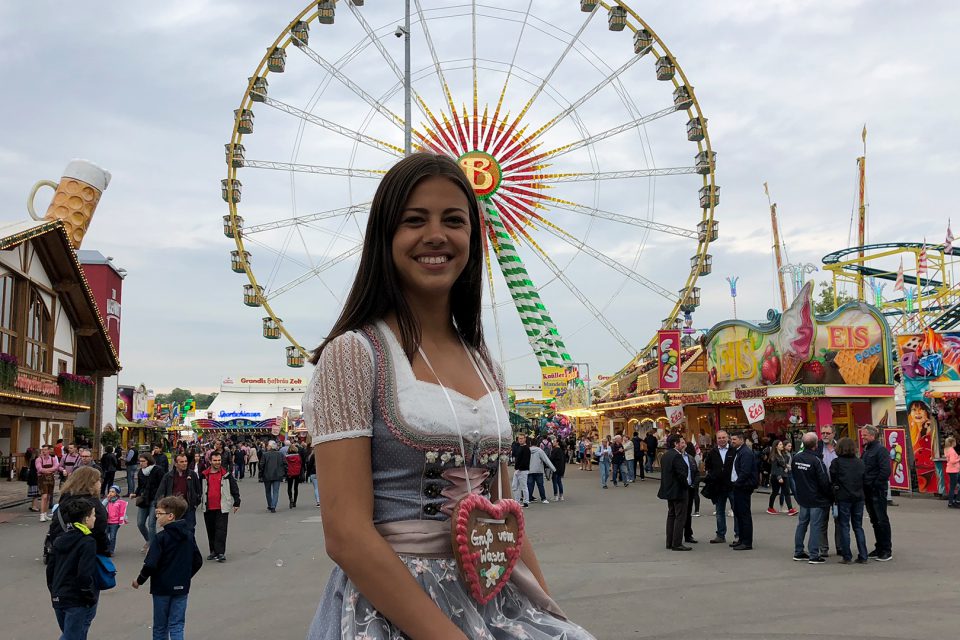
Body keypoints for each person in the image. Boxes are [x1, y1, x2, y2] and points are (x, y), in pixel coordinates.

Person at [304, 153, 595, 639]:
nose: (436, 235)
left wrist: (547, 610)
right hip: (392, 609)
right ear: (384, 237)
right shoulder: (355, 355)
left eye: (454, 220)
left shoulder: (485, 364)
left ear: (473, 238)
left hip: (494, 595)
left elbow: (502, 515)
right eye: (414, 220)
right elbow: (347, 535)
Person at [133, 496, 203, 640]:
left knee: (160, 626)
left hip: (162, 587)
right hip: (181, 586)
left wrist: (139, 580)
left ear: (170, 516)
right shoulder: (188, 535)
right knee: (177, 625)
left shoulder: (161, 538)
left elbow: (151, 564)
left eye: (159, 513)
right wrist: (184, 576)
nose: (156, 516)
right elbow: (198, 561)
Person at [46, 498, 100, 640]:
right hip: (76, 599)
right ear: (85, 518)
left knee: (74, 634)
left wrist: (53, 589)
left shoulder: (59, 539)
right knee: (72, 636)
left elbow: (50, 570)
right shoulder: (87, 542)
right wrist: (88, 596)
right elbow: (84, 573)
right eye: (93, 515)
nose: (95, 518)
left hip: (59, 596)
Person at [792, 432, 832, 563]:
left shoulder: (796, 458)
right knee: (815, 526)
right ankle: (814, 554)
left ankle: (798, 551)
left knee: (802, 524)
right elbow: (824, 481)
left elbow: (795, 477)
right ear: (815, 444)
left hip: (803, 497)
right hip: (816, 498)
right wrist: (829, 496)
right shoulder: (816, 460)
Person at [830, 437, 868, 564]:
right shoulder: (860, 462)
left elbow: (833, 479)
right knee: (858, 526)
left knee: (844, 526)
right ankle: (863, 555)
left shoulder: (836, 463)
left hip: (843, 497)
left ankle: (847, 556)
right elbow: (865, 479)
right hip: (859, 497)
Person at [201, 451, 240, 562]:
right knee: (211, 530)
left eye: (219, 460)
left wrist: (237, 501)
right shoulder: (204, 474)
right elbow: (199, 490)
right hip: (208, 507)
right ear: (210, 461)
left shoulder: (226, 474)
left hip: (222, 507)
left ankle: (221, 552)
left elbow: (234, 488)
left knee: (221, 531)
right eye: (215, 460)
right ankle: (213, 551)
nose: (217, 462)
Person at [861, 425, 893, 561]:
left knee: (881, 520)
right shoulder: (867, 450)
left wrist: (874, 484)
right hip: (868, 490)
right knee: (875, 520)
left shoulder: (881, 450)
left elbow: (885, 471)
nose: (863, 437)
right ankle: (879, 546)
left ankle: (886, 550)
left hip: (877, 490)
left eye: (865, 435)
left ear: (872, 436)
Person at [658, 434, 691, 551]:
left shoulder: (665, 455)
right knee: (679, 517)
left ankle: (669, 542)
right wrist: (686, 485)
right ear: (675, 444)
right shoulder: (677, 456)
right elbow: (681, 474)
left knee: (671, 515)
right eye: (681, 442)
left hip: (669, 490)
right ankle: (677, 543)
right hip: (678, 490)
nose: (683, 444)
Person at [704, 430, 735, 544]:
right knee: (719, 511)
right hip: (718, 487)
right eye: (719, 438)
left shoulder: (734, 450)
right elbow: (708, 466)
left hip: (732, 486)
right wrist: (713, 476)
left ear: (728, 438)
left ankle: (738, 535)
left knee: (736, 510)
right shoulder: (712, 452)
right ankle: (720, 535)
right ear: (716, 439)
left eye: (723, 437)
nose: (721, 440)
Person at [156, 454, 202, 530]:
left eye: (186, 461)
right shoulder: (168, 476)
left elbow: (198, 490)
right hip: (173, 509)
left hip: (188, 508)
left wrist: (195, 503)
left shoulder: (192, 475)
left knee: (189, 531)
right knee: (172, 532)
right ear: (176, 464)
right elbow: (161, 492)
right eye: (181, 462)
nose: (184, 463)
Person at [728, 431, 757, 550]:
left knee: (744, 515)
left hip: (743, 487)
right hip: (739, 486)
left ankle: (747, 542)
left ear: (741, 439)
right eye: (732, 439)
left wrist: (737, 484)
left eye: (734, 439)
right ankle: (741, 539)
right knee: (739, 514)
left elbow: (745, 472)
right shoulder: (739, 451)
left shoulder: (746, 453)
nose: (732, 441)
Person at [815, 426, 840, 558]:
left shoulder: (839, 447)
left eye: (827, 433)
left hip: (837, 489)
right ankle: (823, 548)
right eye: (822, 433)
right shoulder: (817, 447)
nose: (825, 435)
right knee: (822, 520)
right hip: (822, 489)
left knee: (839, 519)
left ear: (833, 434)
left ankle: (840, 547)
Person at [134, 453, 163, 553]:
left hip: (155, 500)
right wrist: (135, 493)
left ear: (149, 461)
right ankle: (149, 540)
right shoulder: (140, 472)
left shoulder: (157, 470)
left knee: (151, 523)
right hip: (144, 499)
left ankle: (153, 546)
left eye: (143, 461)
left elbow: (162, 484)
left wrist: (161, 499)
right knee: (140, 523)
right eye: (140, 461)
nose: (141, 463)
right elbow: (140, 486)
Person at [767, 440, 797, 515]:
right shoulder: (774, 456)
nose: (782, 446)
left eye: (781, 444)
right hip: (777, 476)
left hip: (784, 475)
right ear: (776, 446)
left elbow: (784, 464)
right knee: (775, 492)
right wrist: (779, 477)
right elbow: (774, 468)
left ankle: (790, 509)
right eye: (780, 444)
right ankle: (770, 507)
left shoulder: (784, 455)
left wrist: (786, 467)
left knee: (787, 492)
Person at [260, 440, 286, 513]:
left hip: (267, 475)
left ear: (270, 446)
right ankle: (273, 506)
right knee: (276, 491)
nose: (267, 447)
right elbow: (285, 464)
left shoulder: (265, 454)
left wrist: (260, 475)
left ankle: (270, 504)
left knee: (268, 491)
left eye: (268, 445)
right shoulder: (280, 454)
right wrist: (284, 474)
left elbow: (261, 465)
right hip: (277, 475)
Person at [36, 444, 61, 521]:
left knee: (49, 496)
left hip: (50, 479)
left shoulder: (53, 459)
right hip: (42, 479)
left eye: (46, 450)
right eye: (42, 450)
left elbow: (56, 467)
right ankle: (42, 515)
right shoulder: (39, 459)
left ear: (49, 450)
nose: (44, 451)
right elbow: (39, 469)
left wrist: (47, 470)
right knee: (44, 496)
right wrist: (50, 470)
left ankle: (45, 513)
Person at [101, 484, 128, 556]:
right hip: (107, 521)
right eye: (109, 491)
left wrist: (125, 518)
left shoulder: (120, 502)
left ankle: (111, 551)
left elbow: (123, 511)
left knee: (112, 537)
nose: (110, 493)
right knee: (105, 535)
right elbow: (102, 506)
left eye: (113, 492)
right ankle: (106, 548)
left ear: (116, 493)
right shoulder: (108, 501)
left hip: (115, 523)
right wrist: (107, 499)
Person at [682, 441, 700, 544]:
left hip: (690, 488)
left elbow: (696, 472)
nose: (683, 445)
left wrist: (694, 484)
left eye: (684, 444)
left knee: (688, 513)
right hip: (680, 489)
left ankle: (688, 534)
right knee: (680, 513)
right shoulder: (676, 457)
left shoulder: (690, 458)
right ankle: (677, 535)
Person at [512, 433, 532, 506]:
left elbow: (525, 461)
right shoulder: (519, 447)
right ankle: (517, 502)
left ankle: (526, 502)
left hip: (523, 470)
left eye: (521, 438)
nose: (520, 440)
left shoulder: (526, 448)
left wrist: (519, 469)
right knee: (515, 486)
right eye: (519, 438)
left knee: (523, 486)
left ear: (525, 439)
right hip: (518, 469)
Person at [285, 444, 303, 508]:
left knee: (289, 488)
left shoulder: (287, 457)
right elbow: (301, 463)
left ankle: (290, 499)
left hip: (290, 473)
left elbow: (285, 465)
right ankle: (295, 502)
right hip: (297, 473)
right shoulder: (298, 456)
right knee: (296, 487)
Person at [945, 436, 959, 507]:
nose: (956, 443)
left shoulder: (948, 450)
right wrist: (959, 459)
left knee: (953, 486)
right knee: (953, 487)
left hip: (951, 470)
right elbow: (953, 461)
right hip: (953, 470)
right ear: (952, 443)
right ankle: (952, 502)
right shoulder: (952, 451)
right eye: (955, 441)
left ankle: (952, 501)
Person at [25, 448, 41, 512]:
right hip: (35, 478)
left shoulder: (31, 460)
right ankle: (34, 507)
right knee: (36, 495)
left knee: (34, 495)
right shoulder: (36, 460)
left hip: (31, 478)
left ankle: (33, 506)